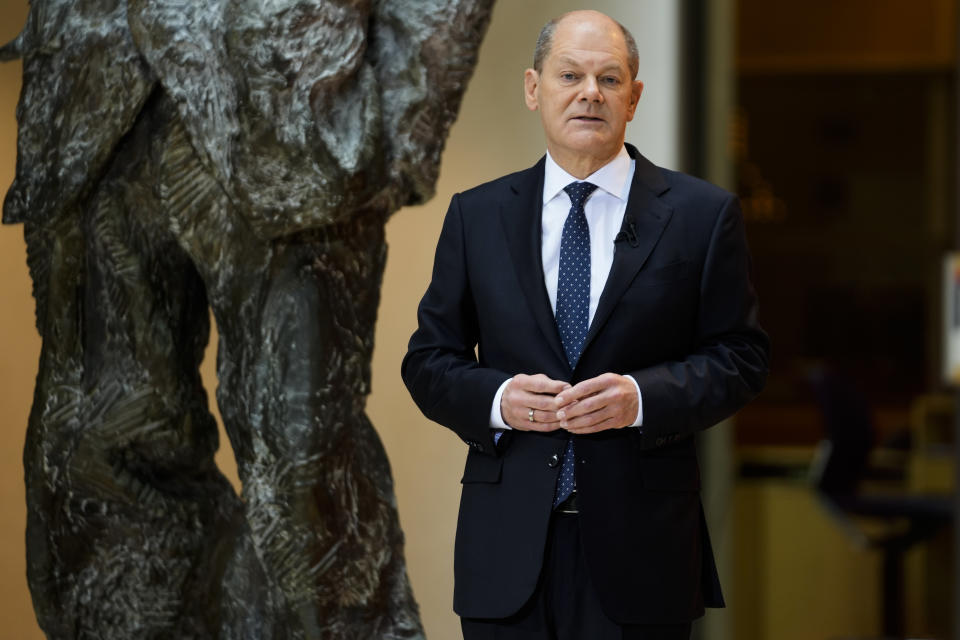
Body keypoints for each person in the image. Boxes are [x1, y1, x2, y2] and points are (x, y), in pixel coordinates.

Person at [401, 9, 769, 640]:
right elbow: (429, 360)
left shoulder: (702, 215)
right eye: (570, 74)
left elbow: (740, 358)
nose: (589, 93)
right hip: (506, 554)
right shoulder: (476, 216)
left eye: (610, 78)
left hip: (643, 554)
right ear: (533, 88)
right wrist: (497, 401)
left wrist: (640, 399)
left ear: (635, 97)